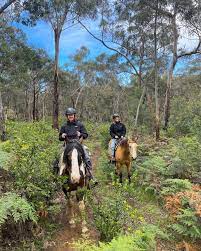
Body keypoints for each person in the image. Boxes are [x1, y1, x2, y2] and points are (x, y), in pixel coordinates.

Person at [59, 107, 96, 183]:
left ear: (74, 115)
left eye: (71, 115)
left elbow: (86, 135)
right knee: (58, 157)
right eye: (69, 115)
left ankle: (90, 174)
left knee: (86, 157)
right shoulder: (64, 126)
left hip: (78, 145)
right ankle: (58, 176)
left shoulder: (79, 124)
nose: (70, 116)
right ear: (67, 116)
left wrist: (81, 134)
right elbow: (60, 138)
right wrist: (62, 136)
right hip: (67, 145)